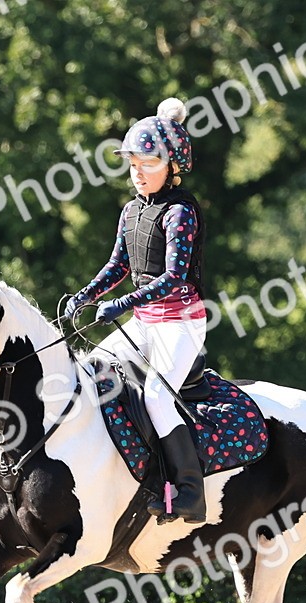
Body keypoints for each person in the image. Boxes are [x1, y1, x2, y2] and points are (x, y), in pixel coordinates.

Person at [65, 97, 207, 524]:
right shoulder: (131, 211)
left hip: (180, 324)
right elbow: (119, 266)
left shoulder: (180, 211)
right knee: (91, 372)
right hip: (143, 322)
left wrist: (120, 304)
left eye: (148, 163)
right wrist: (85, 296)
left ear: (173, 167)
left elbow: (173, 278)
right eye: (132, 165)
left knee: (158, 399)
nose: (137, 172)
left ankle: (188, 492)